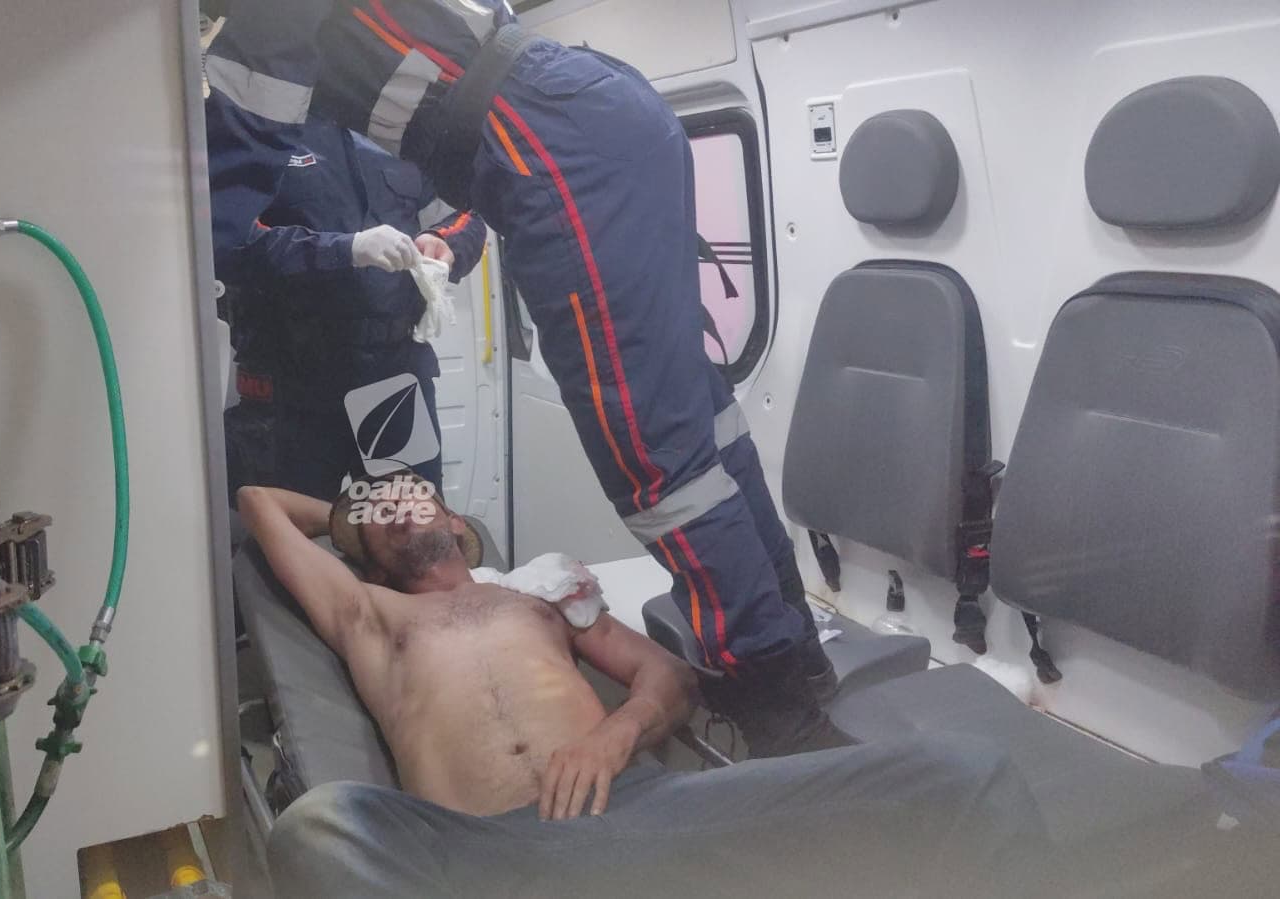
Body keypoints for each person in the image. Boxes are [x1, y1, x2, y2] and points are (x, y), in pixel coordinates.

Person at [205, 0, 839, 756]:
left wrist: (190, 231)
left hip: (547, 143)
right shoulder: (343, 92)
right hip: (588, 113)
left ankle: (778, 708)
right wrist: (336, 251)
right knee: (698, 412)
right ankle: (796, 656)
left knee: (651, 454)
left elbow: (218, 191)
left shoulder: (274, 31)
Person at [236, 471, 1048, 898]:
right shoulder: (369, 612)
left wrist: (613, 733)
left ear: (456, 521)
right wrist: (361, 508)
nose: (396, 504)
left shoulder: (535, 594)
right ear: (364, 552)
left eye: (415, 493)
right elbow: (257, 500)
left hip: (639, 808)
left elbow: (666, 674)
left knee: (967, 772)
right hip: (479, 850)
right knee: (315, 826)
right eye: (379, 510)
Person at [223, 114, 487, 501]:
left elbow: (465, 211)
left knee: (410, 523)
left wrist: (443, 239)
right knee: (292, 529)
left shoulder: (404, 135)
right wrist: (345, 249)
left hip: (391, 378)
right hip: (290, 384)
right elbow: (233, 242)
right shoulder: (262, 129)